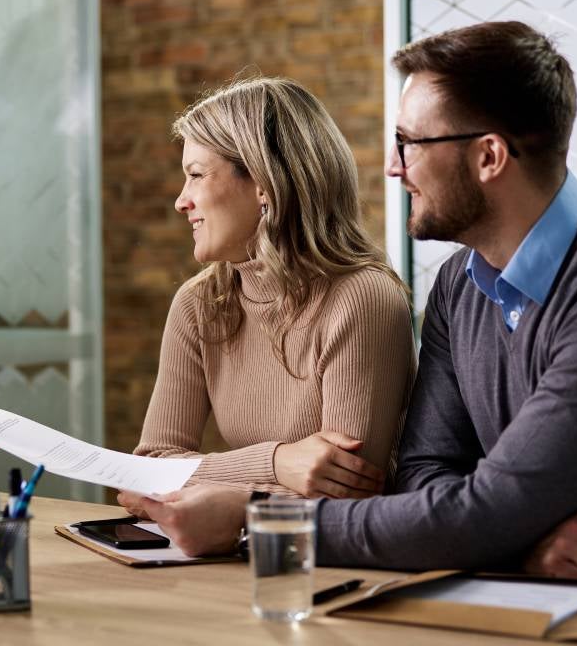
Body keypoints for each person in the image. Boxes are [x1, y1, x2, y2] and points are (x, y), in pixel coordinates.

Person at [141, 22, 577, 583]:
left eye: (411, 145)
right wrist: (507, 529)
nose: (394, 169)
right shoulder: (460, 284)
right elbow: (432, 471)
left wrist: (260, 522)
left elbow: (480, 511)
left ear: (488, 156)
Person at [123, 77, 413, 510]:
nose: (182, 201)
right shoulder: (198, 304)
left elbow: (347, 497)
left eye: (196, 175)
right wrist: (278, 464)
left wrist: (207, 493)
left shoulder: (363, 298)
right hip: (231, 560)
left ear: (263, 183)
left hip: (339, 565)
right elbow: (143, 475)